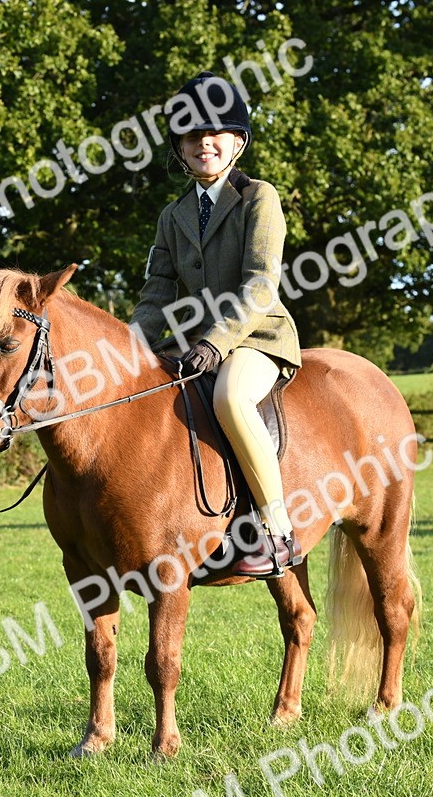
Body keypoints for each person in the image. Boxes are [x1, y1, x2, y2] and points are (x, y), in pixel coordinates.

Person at [128, 72, 302, 579]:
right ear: (179, 148)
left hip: (257, 337)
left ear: (237, 142)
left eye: (216, 134)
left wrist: (214, 341)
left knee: (228, 397)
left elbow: (260, 285)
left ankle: (277, 530)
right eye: (191, 136)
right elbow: (157, 293)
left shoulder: (258, 197)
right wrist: (126, 348)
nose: (204, 143)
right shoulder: (172, 216)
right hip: (196, 343)